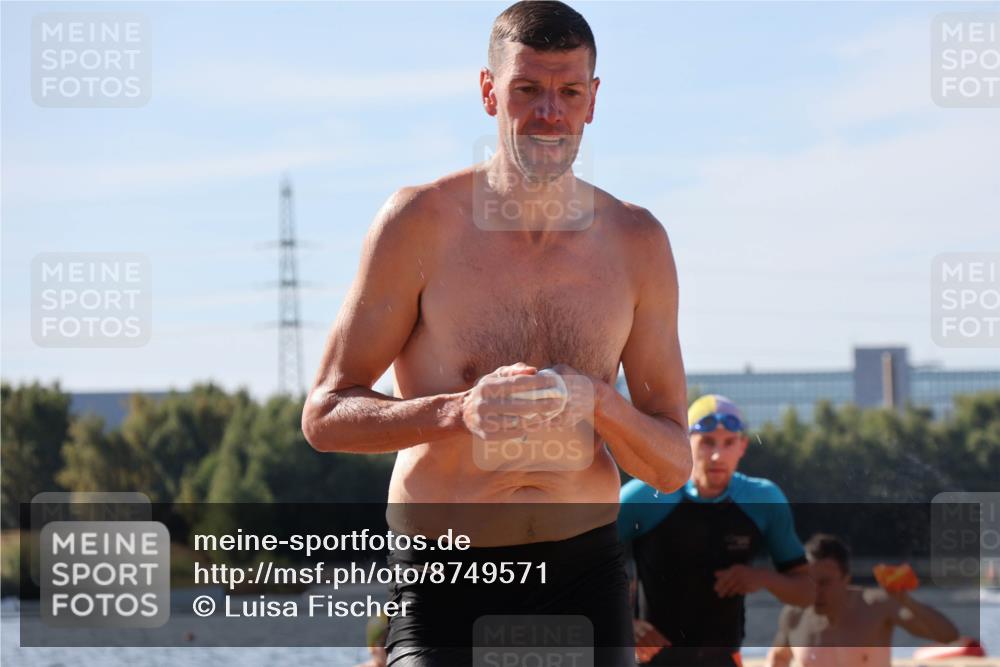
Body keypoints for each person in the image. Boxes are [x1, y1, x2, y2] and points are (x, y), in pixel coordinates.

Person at [301, 2, 692, 664]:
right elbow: (326, 415)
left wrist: (600, 402)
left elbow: (672, 461)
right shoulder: (418, 224)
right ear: (489, 92)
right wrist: (460, 410)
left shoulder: (637, 242)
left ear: (593, 101)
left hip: (584, 573)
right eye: (527, 89)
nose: (549, 112)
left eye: (568, 92)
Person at [619, 395, 815, 666]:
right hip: (651, 660)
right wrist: (624, 623)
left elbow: (806, 592)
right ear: (685, 443)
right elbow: (582, 568)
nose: (716, 455)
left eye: (728, 443)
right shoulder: (645, 497)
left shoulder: (762, 500)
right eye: (707, 442)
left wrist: (762, 578)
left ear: (742, 446)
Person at [766, 533, 960, 667]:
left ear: (846, 579)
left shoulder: (876, 606)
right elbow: (779, 658)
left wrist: (907, 601)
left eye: (824, 583)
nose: (816, 591)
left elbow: (948, 636)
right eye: (810, 581)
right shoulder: (794, 615)